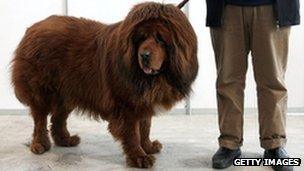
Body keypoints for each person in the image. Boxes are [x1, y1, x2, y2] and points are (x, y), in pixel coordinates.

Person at [205, 0, 300, 170]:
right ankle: (229, 143)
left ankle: (274, 144)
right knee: (227, 81)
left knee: (273, 81)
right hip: (227, 8)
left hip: (273, 8)